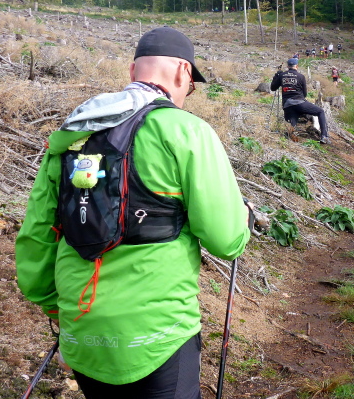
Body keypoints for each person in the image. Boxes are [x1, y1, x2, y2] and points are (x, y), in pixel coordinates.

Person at [15, 26, 250, 399]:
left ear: (132, 71)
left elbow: (38, 233)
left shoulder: (72, 133)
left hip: (81, 328)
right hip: (159, 335)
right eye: (190, 87)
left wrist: (57, 310)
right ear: (183, 72)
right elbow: (225, 240)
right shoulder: (186, 131)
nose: (186, 95)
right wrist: (243, 221)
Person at [271, 58, 329, 144]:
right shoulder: (301, 76)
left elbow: (273, 88)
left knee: (293, 122)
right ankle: (324, 136)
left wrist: (276, 76)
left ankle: (291, 135)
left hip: (287, 106)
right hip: (300, 103)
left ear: (287, 66)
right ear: (296, 66)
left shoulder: (282, 75)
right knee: (320, 111)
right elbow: (304, 94)